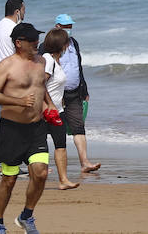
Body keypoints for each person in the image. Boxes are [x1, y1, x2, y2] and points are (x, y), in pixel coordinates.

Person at [0, 22, 49, 234]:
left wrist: (51, 106)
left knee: (40, 174)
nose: (36, 44)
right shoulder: (7, 66)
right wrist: (18, 101)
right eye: (32, 41)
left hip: (36, 128)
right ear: (18, 43)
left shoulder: (41, 62)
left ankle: (26, 216)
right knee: (9, 180)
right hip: (12, 130)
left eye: (37, 40)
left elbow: (41, 88)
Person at [53, 14, 102, 175]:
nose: (68, 30)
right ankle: (40, 163)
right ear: (57, 26)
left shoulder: (74, 43)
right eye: (65, 27)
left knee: (78, 127)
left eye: (70, 27)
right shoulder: (50, 44)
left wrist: (84, 89)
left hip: (74, 93)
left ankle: (85, 162)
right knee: (49, 129)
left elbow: (78, 68)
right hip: (56, 94)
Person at [39, 28, 79, 190]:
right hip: (43, 112)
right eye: (66, 43)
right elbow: (40, 83)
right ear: (60, 45)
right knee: (40, 147)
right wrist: (47, 105)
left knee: (60, 145)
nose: (67, 46)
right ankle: (38, 179)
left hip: (57, 111)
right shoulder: (47, 60)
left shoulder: (56, 60)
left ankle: (63, 180)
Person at [0, 0, 27, 113]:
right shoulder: (15, 29)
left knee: (2, 123)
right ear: (17, 12)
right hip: (9, 81)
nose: (25, 13)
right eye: (23, 10)